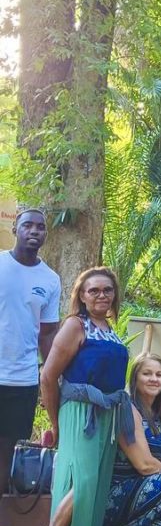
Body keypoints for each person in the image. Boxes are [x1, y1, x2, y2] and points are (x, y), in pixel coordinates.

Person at [41, 267, 131, 526]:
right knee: (82, 482)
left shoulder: (110, 330)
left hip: (107, 416)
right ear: (82, 295)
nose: (102, 295)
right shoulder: (76, 325)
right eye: (94, 290)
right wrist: (56, 424)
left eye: (107, 290)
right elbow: (48, 377)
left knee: (97, 487)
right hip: (80, 414)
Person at [0, 208, 60, 494]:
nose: (34, 231)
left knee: (5, 452)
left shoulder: (50, 279)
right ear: (15, 229)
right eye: (27, 225)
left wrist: (53, 374)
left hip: (22, 380)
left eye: (40, 227)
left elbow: (47, 334)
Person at [102, 353, 161, 526]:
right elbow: (144, 465)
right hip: (117, 493)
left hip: (149, 489)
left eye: (159, 375)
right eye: (147, 373)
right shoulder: (127, 408)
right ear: (135, 378)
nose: (154, 379)